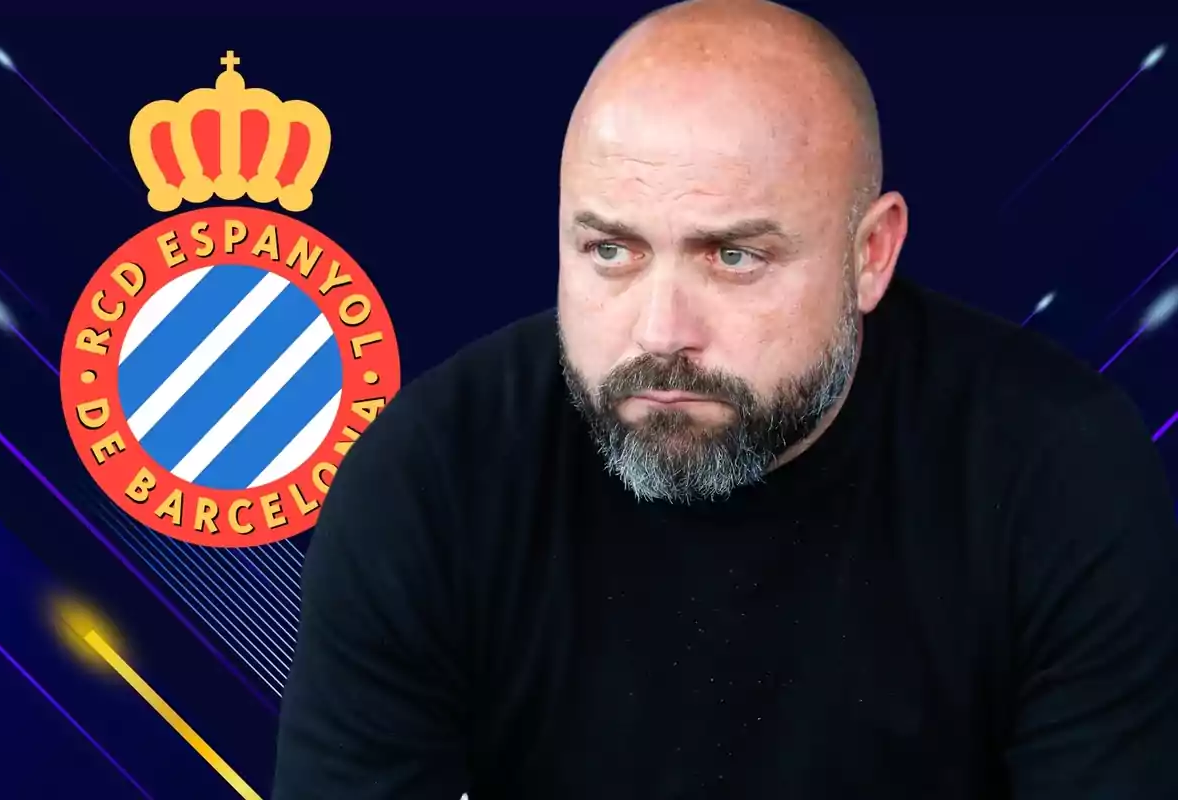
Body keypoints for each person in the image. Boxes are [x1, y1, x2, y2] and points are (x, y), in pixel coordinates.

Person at [272, 1, 1178, 797]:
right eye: (611, 252)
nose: (660, 332)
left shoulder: (1055, 471)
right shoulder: (433, 479)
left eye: (733, 256)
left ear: (872, 255)